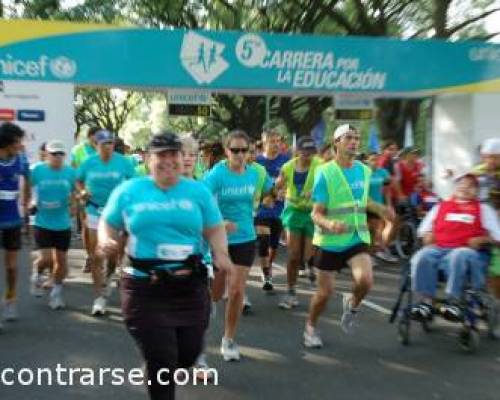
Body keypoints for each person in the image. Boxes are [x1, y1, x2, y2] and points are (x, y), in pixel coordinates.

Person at [98, 132, 232, 400]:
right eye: (161, 155)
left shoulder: (198, 191)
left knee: (187, 355)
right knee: (163, 360)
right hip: (144, 287)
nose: (168, 160)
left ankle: (158, 364)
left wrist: (221, 252)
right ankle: (157, 367)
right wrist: (106, 240)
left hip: (189, 286)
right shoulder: (129, 191)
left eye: (174, 154)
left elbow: (215, 228)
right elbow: (108, 222)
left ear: (183, 158)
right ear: (148, 159)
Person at [304, 124, 394, 348]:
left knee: (366, 280)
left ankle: (352, 305)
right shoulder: (324, 172)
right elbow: (316, 213)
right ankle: (311, 327)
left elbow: (362, 201)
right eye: (348, 138)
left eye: (356, 138)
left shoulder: (364, 170)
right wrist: (329, 223)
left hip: (356, 236)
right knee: (324, 294)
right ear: (336, 143)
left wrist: (381, 209)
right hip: (329, 241)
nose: (354, 142)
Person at [203, 130, 273, 361]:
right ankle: (211, 302)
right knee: (219, 282)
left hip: (245, 237)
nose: (240, 155)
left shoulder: (255, 174)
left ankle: (229, 339)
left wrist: (273, 195)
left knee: (237, 290)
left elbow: (269, 192)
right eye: (235, 150)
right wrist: (218, 222)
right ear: (226, 151)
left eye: (245, 150)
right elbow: (200, 201)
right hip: (221, 238)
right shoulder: (216, 175)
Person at [410, 172, 500, 321]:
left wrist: (483, 238)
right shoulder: (441, 206)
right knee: (422, 256)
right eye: (462, 184)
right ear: (455, 187)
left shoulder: (484, 209)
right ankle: (426, 303)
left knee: (459, 254)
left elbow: (497, 237)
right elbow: (423, 230)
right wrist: (427, 235)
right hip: (440, 250)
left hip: (470, 253)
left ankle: (454, 301)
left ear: (477, 191)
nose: (465, 187)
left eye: (470, 186)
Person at [76, 129, 135, 315]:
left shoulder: (123, 162)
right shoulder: (88, 162)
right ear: (96, 145)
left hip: (115, 213)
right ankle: (99, 297)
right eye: (104, 144)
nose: (108, 147)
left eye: (110, 143)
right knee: (96, 254)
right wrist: (82, 191)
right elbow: (78, 181)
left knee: (111, 255)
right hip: (93, 209)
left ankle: (109, 277)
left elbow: (133, 182)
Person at [276, 136, 323, 309]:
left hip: (312, 213)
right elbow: (278, 185)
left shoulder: (320, 165)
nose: (308, 155)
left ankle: (309, 265)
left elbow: (329, 183)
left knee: (307, 255)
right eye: (305, 151)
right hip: (294, 213)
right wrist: (279, 189)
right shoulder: (288, 167)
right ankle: (290, 291)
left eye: (311, 151)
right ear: (298, 151)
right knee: (293, 254)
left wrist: (315, 191)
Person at [29, 140, 76, 309]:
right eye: (53, 154)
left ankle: (56, 295)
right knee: (47, 258)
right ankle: (37, 273)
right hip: (43, 221)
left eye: (60, 154)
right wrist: (30, 202)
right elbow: (26, 187)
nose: (57, 157)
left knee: (61, 263)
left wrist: (74, 205)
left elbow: (76, 191)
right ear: (46, 155)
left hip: (63, 223)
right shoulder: (37, 170)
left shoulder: (70, 172)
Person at [0, 122, 30, 328]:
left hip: (12, 220)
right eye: (18, 141)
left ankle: (10, 298)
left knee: (11, 267)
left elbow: (28, 179)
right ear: (7, 143)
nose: (21, 145)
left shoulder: (21, 159)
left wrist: (28, 202)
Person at [255, 129, 289, 292]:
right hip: (261, 207)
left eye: (278, 141)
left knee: (274, 245)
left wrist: (285, 191)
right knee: (263, 239)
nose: (276, 145)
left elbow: (291, 180)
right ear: (264, 143)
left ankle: (268, 266)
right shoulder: (256, 161)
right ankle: (266, 274)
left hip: (278, 208)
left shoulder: (286, 160)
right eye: (272, 141)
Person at [71, 127, 99, 273]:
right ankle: (89, 256)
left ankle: (99, 257)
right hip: (84, 194)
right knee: (86, 227)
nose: (97, 140)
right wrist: (80, 191)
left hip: (102, 196)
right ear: (89, 137)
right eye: (95, 137)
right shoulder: (78, 150)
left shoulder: (102, 149)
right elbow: (74, 172)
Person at [365, 152, 398, 263]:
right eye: (372, 159)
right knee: (370, 230)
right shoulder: (363, 172)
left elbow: (387, 190)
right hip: (365, 205)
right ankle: (369, 255)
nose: (375, 162)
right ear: (367, 161)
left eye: (376, 159)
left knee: (382, 226)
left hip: (379, 205)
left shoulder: (382, 172)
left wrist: (389, 205)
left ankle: (379, 250)